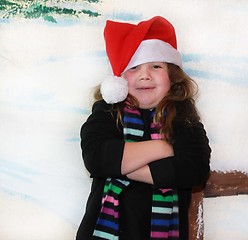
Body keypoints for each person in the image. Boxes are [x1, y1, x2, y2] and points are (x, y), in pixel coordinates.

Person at [76, 16, 211, 240]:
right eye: (134, 67)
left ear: (172, 76)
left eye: (156, 66)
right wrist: (165, 147)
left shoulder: (183, 118)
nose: (144, 75)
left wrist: (121, 164)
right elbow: (96, 157)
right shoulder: (107, 112)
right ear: (119, 80)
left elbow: (195, 168)